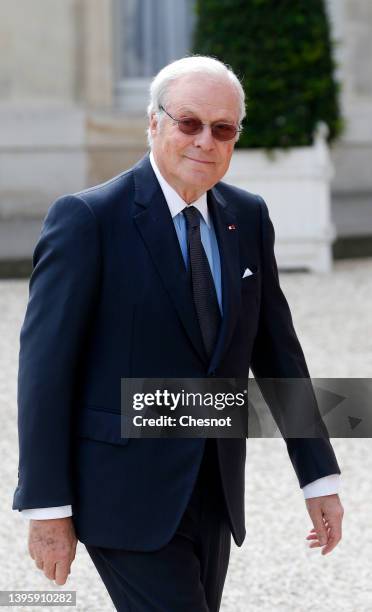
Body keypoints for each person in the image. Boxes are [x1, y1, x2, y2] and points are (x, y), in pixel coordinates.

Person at [13, 56, 344, 612]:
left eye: (223, 129)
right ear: (154, 123)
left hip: (214, 489)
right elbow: (44, 372)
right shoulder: (86, 220)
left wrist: (318, 478)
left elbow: (279, 353)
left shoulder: (249, 216)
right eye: (189, 123)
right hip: (121, 495)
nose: (205, 141)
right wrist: (46, 507)